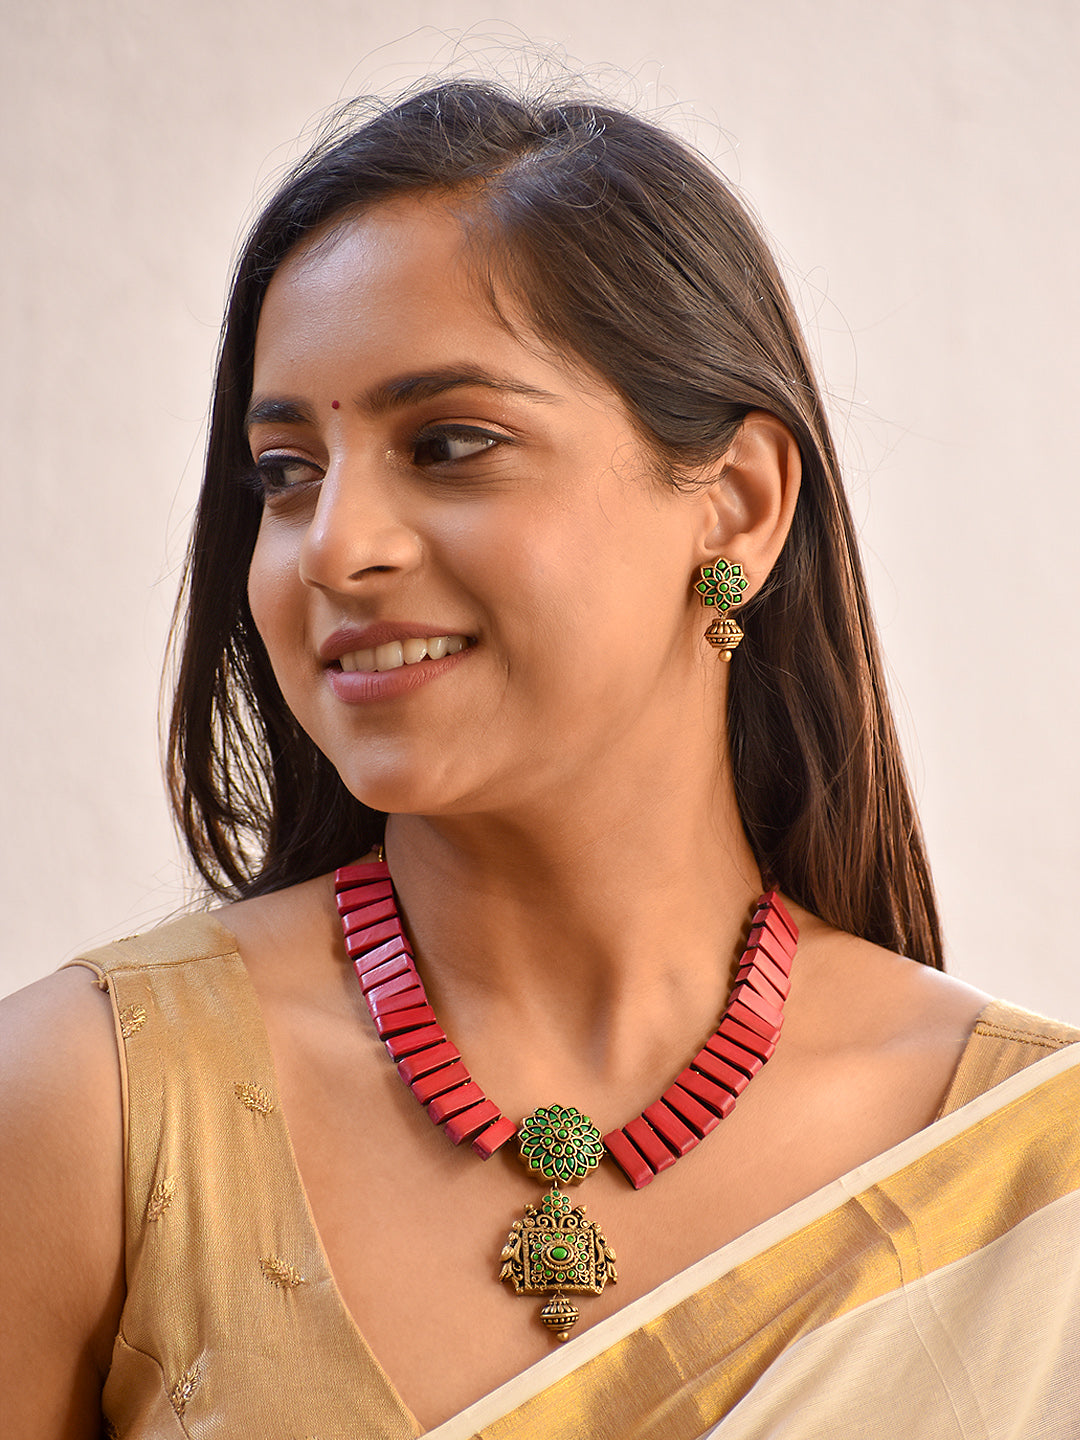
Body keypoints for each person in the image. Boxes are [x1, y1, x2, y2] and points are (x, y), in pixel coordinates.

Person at [2, 79, 1078, 1439]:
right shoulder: (91, 1113)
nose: (334, 547)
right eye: (286, 470)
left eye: (449, 445)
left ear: (737, 505)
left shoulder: (1034, 1176)